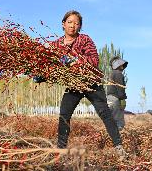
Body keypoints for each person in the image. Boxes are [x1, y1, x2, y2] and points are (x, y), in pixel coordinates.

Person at [45, 10, 127, 157]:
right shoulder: (56, 44)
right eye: (69, 22)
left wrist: (76, 61)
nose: (73, 26)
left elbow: (94, 60)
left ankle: (119, 146)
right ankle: (61, 150)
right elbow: (49, 64)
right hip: (75, 85)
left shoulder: (84, 39)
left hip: (92, 83)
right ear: (63, 24)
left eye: (76, 23)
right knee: (64, 114)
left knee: (105, 114)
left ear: (80, 27)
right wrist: (42, 74)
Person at [106, 56, 128, 131]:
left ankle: (111, 137)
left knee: (112, 120)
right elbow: (120, 88)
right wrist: (122, 99)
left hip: (109, 98)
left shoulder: (111, 74)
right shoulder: (118, 74)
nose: (123, 66)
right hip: (116, 99)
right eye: (121, 64)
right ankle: (119, 138)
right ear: (118, 65)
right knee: (119, 121)